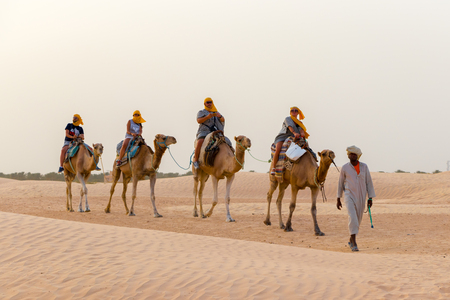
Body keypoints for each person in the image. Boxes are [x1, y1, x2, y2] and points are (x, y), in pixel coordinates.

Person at [336, 145, 376, 252]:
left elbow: (369, 182)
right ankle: (354, 242)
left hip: (361, 197)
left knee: (357, 220)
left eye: (354, 154)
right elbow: (340, 183)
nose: (352, 155)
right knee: (352, 218)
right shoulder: (345, 168)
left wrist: (370, 198)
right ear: (348, 155)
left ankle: (351, 238)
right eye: (350, 154)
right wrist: (338, 198)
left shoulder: (364, 167)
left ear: (358, 156)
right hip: (349, 195)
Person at [271, 107, 309, 175]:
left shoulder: (299, 122)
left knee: (305, 147)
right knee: (278, 149)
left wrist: (302, 133)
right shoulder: (288, 119)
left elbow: (301, 129)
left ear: (298, 113)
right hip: (283, 137)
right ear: (290, 112)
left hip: (292, 138)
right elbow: (290, 127)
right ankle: (273, 168)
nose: (294, 112)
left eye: (296, 111)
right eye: (292, 111)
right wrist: (294, 133)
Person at [193, 97, 225, 169]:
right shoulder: (201, 112)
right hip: (204, 131)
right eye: (207, 102)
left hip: (214, 131)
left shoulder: (216, 112)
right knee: (200, 142)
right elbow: (199, 121)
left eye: (210, 102)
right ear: (205, 103)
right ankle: (195, 161)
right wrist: (207, 117)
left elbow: (222, 120)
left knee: (224, 141)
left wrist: (219, 116)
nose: (209, 104)